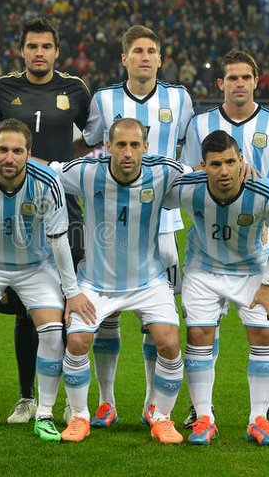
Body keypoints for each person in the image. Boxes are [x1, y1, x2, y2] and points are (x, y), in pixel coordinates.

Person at [0, 118, 94, 441]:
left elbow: (59, 242)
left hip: (35, 265)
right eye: (2, 150)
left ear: (28, 153)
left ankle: (45, 414)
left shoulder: (47, 182)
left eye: (16, 151)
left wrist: (73, 291)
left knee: (53, 330)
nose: (8, 158)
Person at [181, 50, 269, 429]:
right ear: (220, 83)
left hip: (259, 241)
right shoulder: (200, 124)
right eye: (231, 78)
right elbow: (188, 175)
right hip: (210, 241)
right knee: (204, 326)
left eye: (245, 78)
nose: (238, 84)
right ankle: (202, 408)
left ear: (256, 80)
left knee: (265, 324)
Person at [82, 25, 194, 428]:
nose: (145, 57)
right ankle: (107, 400)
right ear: (124, 58)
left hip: (163, 223)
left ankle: (151, 401)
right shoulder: (105, 98)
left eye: (152, 51)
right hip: (112, 220)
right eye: (137, 51)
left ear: (161, 59)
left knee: (156, 318)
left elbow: (192, 151)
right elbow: (90, 143)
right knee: (106, 314)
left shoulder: (179, 99)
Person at [54, 118, 188, 444]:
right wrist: (5, 159)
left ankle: (162, 417)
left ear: (145, 147)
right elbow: (47, 170)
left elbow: (208, 176)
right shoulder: (87, 172)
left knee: (169, 343)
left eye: (134, 145)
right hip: (96, 282)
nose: (127, 152)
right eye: (121, 145)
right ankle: (81, 415)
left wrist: (245, 173)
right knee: (77, 342)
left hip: (148, 281)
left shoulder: (164, 171)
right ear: (108, 146)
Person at [0, 16, 92, 424]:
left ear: (56, 51)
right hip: (16, 207)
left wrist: (60, 167)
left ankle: (70, 398)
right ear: (22, 50)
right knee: (24, 309)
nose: (39, 53)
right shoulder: (2, 89)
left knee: (69, 302)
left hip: (65, 205)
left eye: (45, 46)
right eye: (32, 46)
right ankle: (26, 397)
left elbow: (94, 136)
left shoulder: (75, 90)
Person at [164, 131, 269, 446]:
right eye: (215, 164)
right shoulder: (187, 188)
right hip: (203, 269)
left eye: (230, 162)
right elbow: (157, 197)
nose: (223, 171)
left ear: (241, 162)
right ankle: (204, 419)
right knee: (199, 335)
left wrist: (267, 284)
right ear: (202, 166)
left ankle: (259, 420)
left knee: (264, 333)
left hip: (252, 269)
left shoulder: (265, 193)